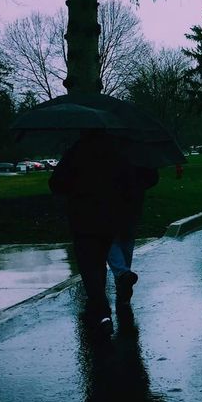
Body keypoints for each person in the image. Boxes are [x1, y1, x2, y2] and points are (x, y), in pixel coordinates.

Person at [50, 130, 134, 336]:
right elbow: (128, 183)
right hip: (107, 218)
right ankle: (104, 305)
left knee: (90, 268)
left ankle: (102, 312)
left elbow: (56, 183)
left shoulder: (75, 152)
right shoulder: (114, 152)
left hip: (82, 220)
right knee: (100, 263)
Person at [107, 165, 159, 303]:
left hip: (111, 198)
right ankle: (123, 279)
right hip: (133, 200)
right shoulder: (139, 158)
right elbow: (153, 178)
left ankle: (122, 274)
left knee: (110, 239)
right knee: (126, 239)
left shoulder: (107, 157)